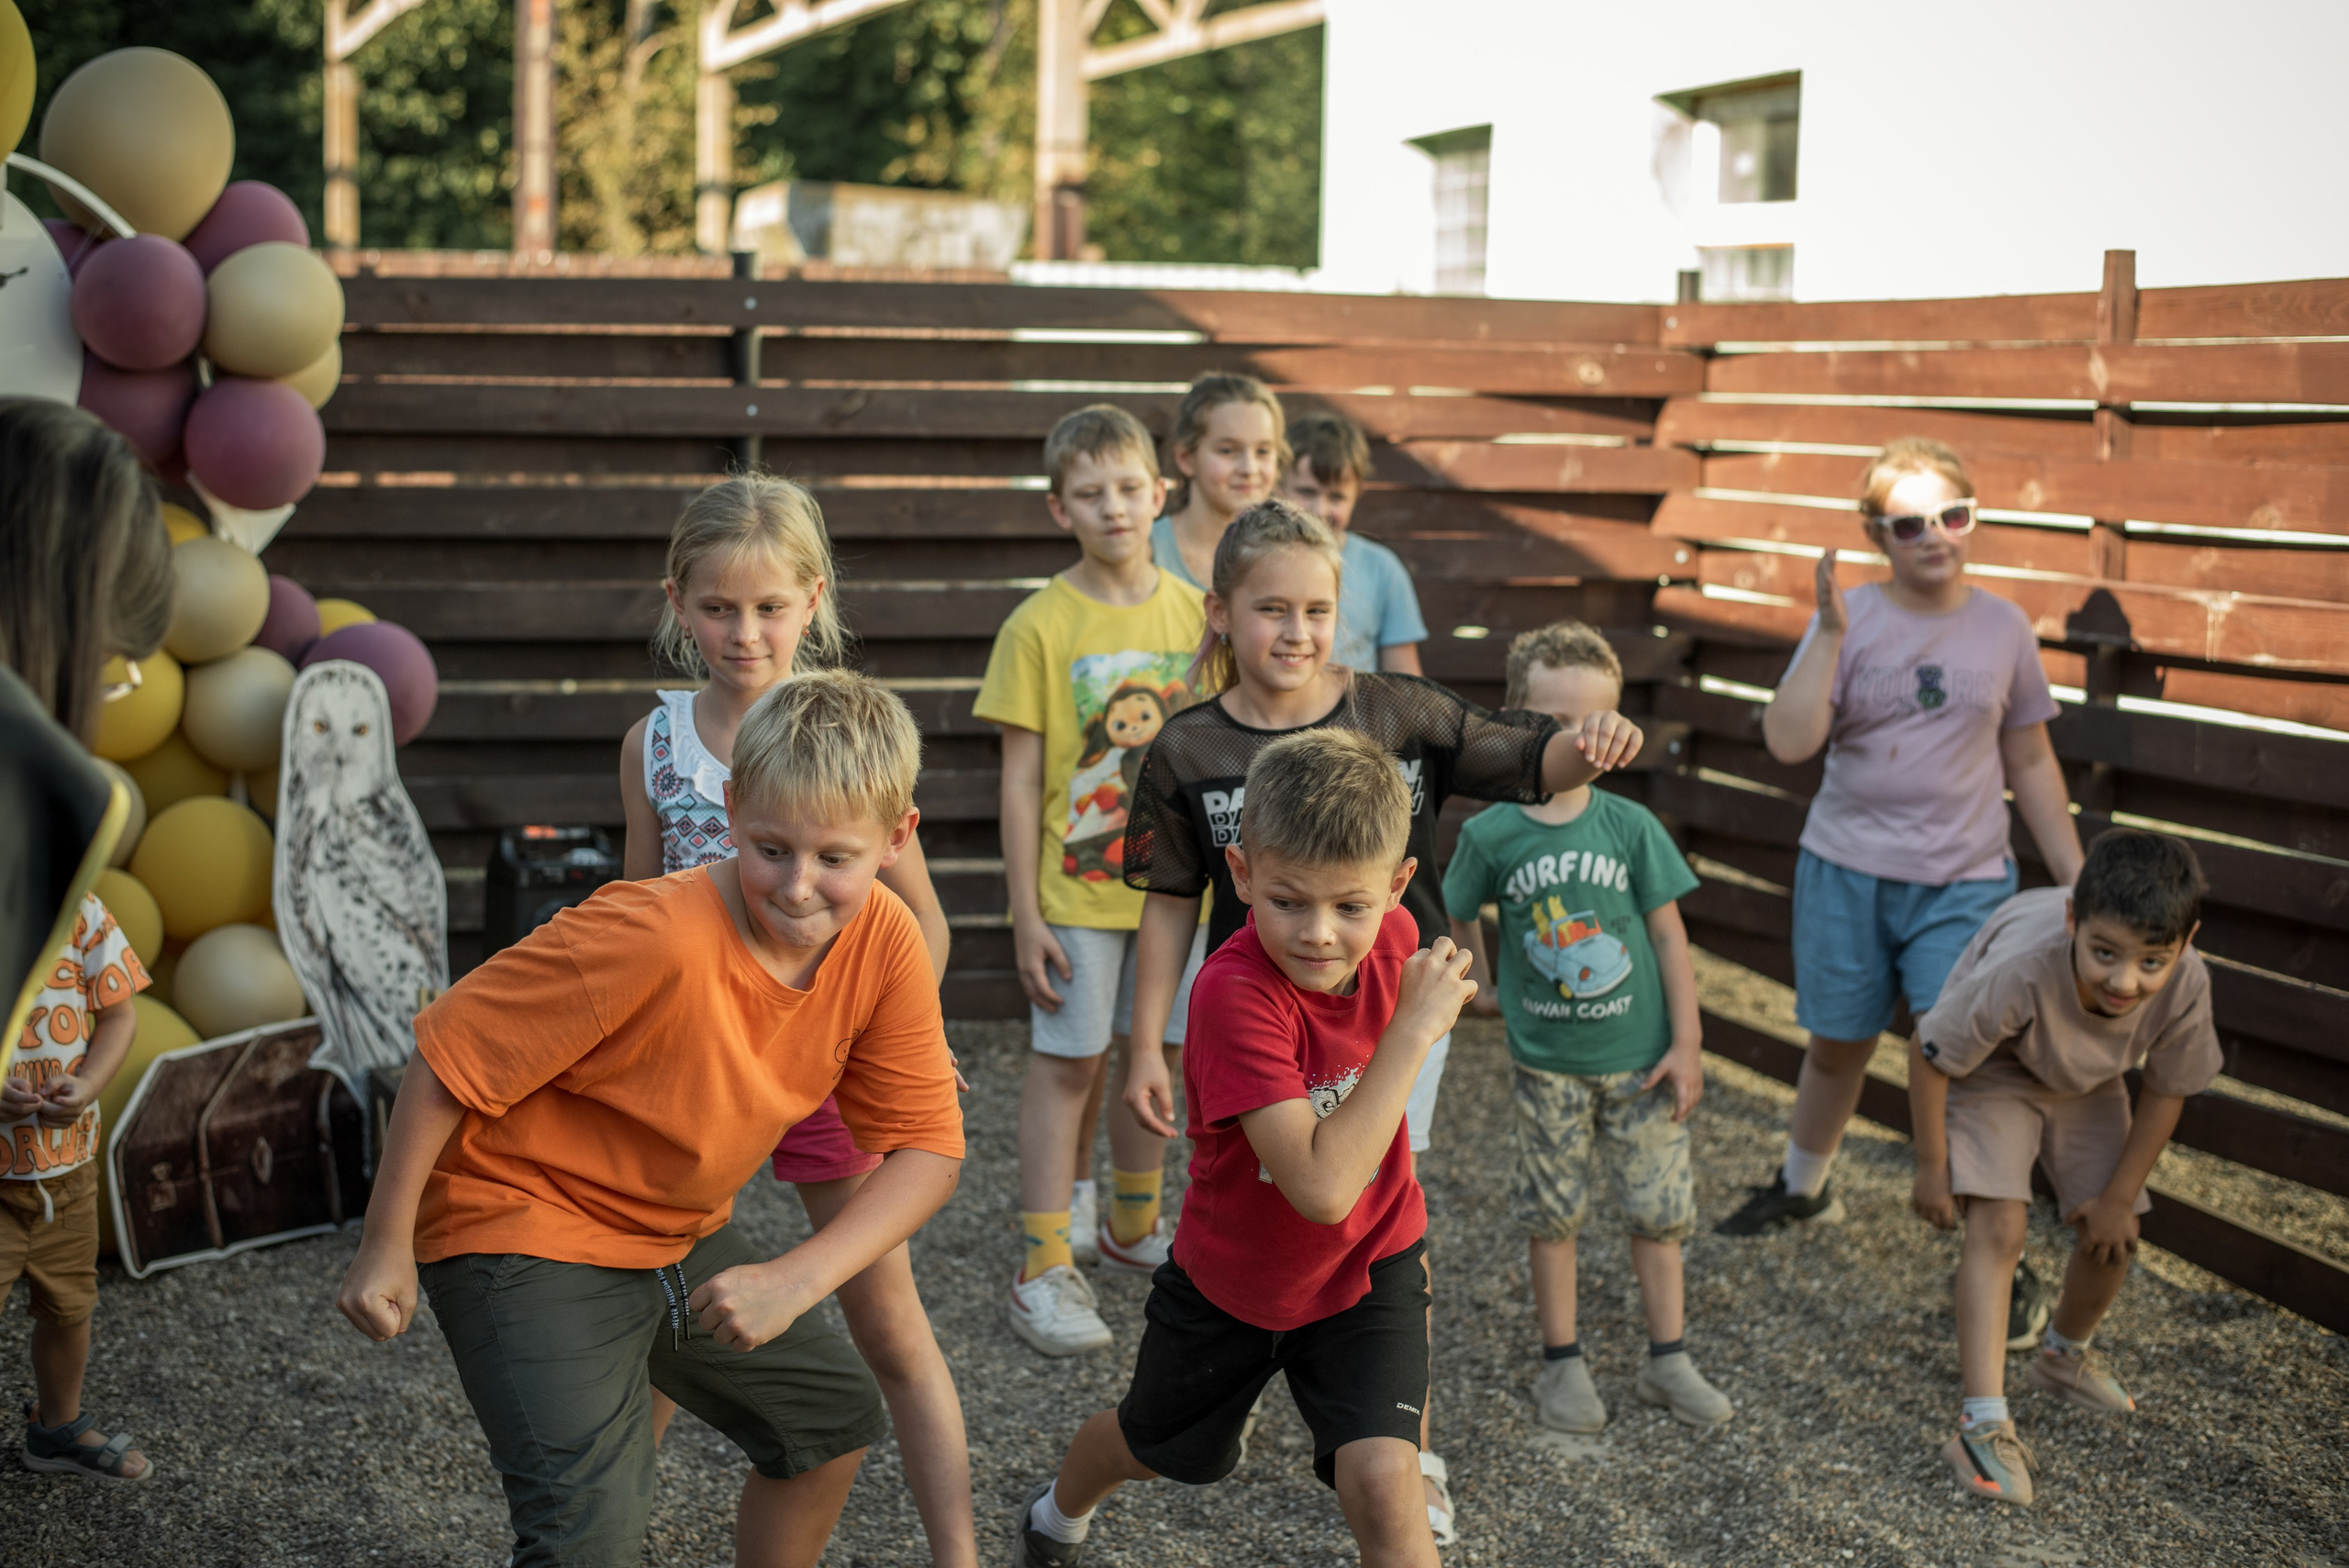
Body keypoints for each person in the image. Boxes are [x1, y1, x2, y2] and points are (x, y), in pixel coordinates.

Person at [338, 672, 966, 1568]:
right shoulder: (651, 932)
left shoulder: (888, 939)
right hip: (519, 1220)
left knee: (827, 1421)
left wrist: (795, 1278)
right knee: (588, 1530)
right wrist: (384, 1241)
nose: (796, 886)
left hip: (670, 1227)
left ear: (896, 836)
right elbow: (448, 1051)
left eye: (834, 858)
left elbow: (930, 1147)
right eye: (771, 847)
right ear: (733, 803)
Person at [1118, 500, 1642, 1541]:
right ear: (1222, 614)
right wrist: (1145, 1037)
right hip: (1266, 1015)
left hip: (1398, 997)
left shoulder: (1395, 712)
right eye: (1273, 608)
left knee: (1389, 1183)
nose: (1298, 630)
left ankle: (1402, 1438)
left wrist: (1588, 748)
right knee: (1291, 1187)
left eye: (1318, 609)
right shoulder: (1186, 747)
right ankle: (1287, 1353)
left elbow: (1517, 760)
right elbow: (1170, 897)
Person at [614, 475, 973, 1564]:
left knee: (887, 1325)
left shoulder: (841, 735)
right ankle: (613, 1526)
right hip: (695, 1077)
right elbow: (629, 918)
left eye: (768, 606)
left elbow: (926, 924)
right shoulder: (656, 745)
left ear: (812, 599)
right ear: (678, 603)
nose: (744, 631)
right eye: (718, 607)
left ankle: (956, 1548)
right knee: (657, 1327)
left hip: (823, 1071)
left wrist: (902, 1038)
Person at [1017, 729, 1475, 1568]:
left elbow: (1353, 1199)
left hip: (1368, 1264)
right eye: (1289, 900)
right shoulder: (1232, 994)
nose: (1320, 934)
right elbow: (1321, 1186)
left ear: (1398, 885)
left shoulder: (1402, 938)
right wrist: (1410, 1033)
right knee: (1146, 1446)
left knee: (1384, 1477)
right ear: (1241, 874)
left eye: (1351, 906)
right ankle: (1056, 1514)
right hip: (1234, 1287)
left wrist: (1415, 1005)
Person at [1717, 438, 2086, 1346]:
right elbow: (1789, 741)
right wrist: (1830, 633)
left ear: (1974, 515)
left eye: (1952, 515)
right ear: (1877, 534)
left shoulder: (2003, 626)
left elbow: (2029, 756)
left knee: (1957, 1056)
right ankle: (1803, 1187)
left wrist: (2078, 879)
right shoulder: (1849, 617)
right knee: (1838, 1040)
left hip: (1962, 881)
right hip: (1845, 867)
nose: (1936, 535)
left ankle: (2001, 1250)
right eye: (1911, 522)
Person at [1442, 622, 1731, 1434]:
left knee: (1658, 1210)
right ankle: (1561, 1364)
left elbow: (1670, 935)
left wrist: (1687, 1042)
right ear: (1516, 719)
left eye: (1593, 719)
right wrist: (1483, 982)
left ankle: (1667, 1358)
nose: (1578, 736)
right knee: (1552, 1212)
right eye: (1556, 719)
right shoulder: (1490, 832)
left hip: (1640, 1061)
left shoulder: (1630, 827)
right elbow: (1460, 906)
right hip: (1546, 1064)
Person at [973, 406, 1209, 1356]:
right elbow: (1022, 776)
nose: (1112, 507)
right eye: (1089, 492)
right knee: (1071, 1062)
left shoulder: (1199, 613)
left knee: (1164, 1056)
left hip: (1176, 894)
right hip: (1074, 896)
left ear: (1160, 493)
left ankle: (1130, 1225)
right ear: (1056, 507)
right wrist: (1024, 912)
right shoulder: (1038, 623)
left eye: (1127, 488)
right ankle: (1041, 1267)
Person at [1909, 828, 2217, 1507]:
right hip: (1993, 1066)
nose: (2123, 980)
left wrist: (2117, 1192)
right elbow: (1928, 1052)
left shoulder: (2188, 981)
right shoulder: (2025, 964)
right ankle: (1980, 1424)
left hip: (2086, 1078)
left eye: (2151, 960)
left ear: (2186, 942)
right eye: (2104, 952)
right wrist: (1933, 1168)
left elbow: (2169, 1088)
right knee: (2000, 1224)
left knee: (2117, 1229)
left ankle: (2062, 1354)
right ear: (2073, 919)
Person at [0, 397, 173, 1485]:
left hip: (55, 1168)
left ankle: (53, 1425)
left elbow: (118, 1006)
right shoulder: (45, 796)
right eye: (111, 667)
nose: (115, 697)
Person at [1279, 411, 1429, 675]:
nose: (1320, 510)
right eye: (1306, 492)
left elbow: (1406, 681)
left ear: (1356, 495)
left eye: (1336, 497)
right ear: (1279, 486)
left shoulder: (1382, 569)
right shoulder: (1257, 561)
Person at [1151, 373, 1285, 592]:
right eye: (1227, 450)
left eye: (1263, 451)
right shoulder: (1148, 550)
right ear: (1186, 458)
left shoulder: (1289, 554)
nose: (1249, 469)